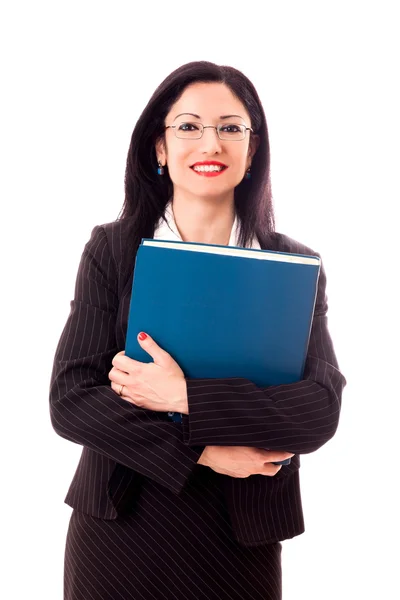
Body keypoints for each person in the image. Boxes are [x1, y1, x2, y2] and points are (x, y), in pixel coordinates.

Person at [49, 60, 346, 600]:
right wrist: (204, 451)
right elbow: (71, 400)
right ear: (159, 148)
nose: (210, 143)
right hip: (121, 527)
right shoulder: (112, 250)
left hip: (241, 538)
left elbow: (318, 411)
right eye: (188, 126)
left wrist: (185, 396)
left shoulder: (294, 265)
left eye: (231, 128)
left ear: (252, 151)